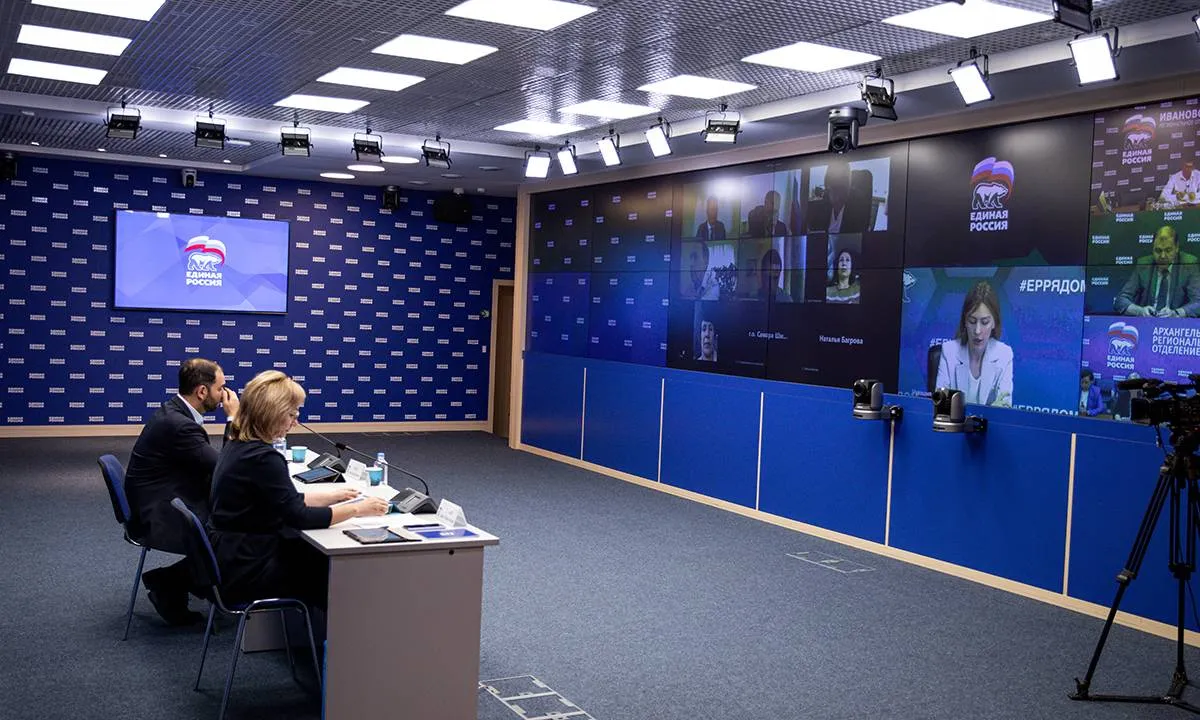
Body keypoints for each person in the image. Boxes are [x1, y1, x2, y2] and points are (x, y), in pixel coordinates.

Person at [207, 371, 390, 607]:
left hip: (230, 556)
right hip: (248, 568)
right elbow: (299, 516)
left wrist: (332, 496)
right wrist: (357, 509)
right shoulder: (264, 458)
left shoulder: (238, 443)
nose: (295, 422)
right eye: (291, 414)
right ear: (272, 414)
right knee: (333, 568)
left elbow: (279, 499)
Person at [124, 358, 239, 625]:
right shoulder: (179, 425)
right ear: (202, 391)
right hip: (157, 515)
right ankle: (169, 582)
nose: (225, 394)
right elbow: (223, 468)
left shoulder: (175, 412)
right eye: (221, 388)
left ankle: (179, 581)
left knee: (235, 518)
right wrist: (233, 418)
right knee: (234, 531)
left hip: (159, 500)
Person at [934, 281, 1014, 407]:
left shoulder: (1005, 354)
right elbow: (941, 404)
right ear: (965, 322)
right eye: (972, 321)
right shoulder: (949, 351)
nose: (977, 331)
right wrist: (990, 410)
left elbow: (1004, 405)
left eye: (985, 322)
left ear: (994, 323)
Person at [1114, 226, 1200, 318]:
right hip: (1148, 321)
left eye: (1168, 250)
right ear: (1153, 248)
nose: (1162, 256)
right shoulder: (1143, 264)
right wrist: (1140, 311)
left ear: (1176, 248)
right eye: (1158, 250)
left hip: (1176, 324)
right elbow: (1120, 300)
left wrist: (1176, 313)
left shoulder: (1189, 264)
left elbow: (1198, 302)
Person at [806, 161, 871, 234]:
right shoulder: (820, 209)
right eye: (834, 189)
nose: (838, 197)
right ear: (828, 188)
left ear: (849, 187)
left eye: (842, 189)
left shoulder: (858, 211)